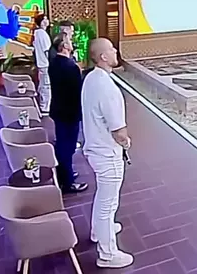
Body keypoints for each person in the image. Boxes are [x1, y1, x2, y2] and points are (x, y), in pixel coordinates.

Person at [81, 38, 133, 269]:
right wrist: (126, 142)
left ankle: (99, 230)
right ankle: (108, 253)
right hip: (107, 154)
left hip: (95, 149)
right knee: (107, 202)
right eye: (111, 49)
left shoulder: (91, 79)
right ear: (103, 57)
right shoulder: (107, 88)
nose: (115, 51)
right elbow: (118, 130)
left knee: (104, 199)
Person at [48, 33, 88, 193]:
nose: (72, 43)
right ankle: (68, 182)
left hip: (58, 110)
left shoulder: (54, 63)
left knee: (62, 144)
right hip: (69, 112)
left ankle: (64, 174)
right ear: (64, 46)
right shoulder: (71, 67)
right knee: (67, 147)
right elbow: (78, 92)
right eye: (69, 41)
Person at [32, 14, 52, 114]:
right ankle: (45, 107)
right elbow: (47, 50)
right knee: (46, 86)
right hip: (45, 64)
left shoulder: (36, 33)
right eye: (45, 19)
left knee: (43, 84)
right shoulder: (42, 34)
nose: (47, 21)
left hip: (41, 64)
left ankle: (43, 104)